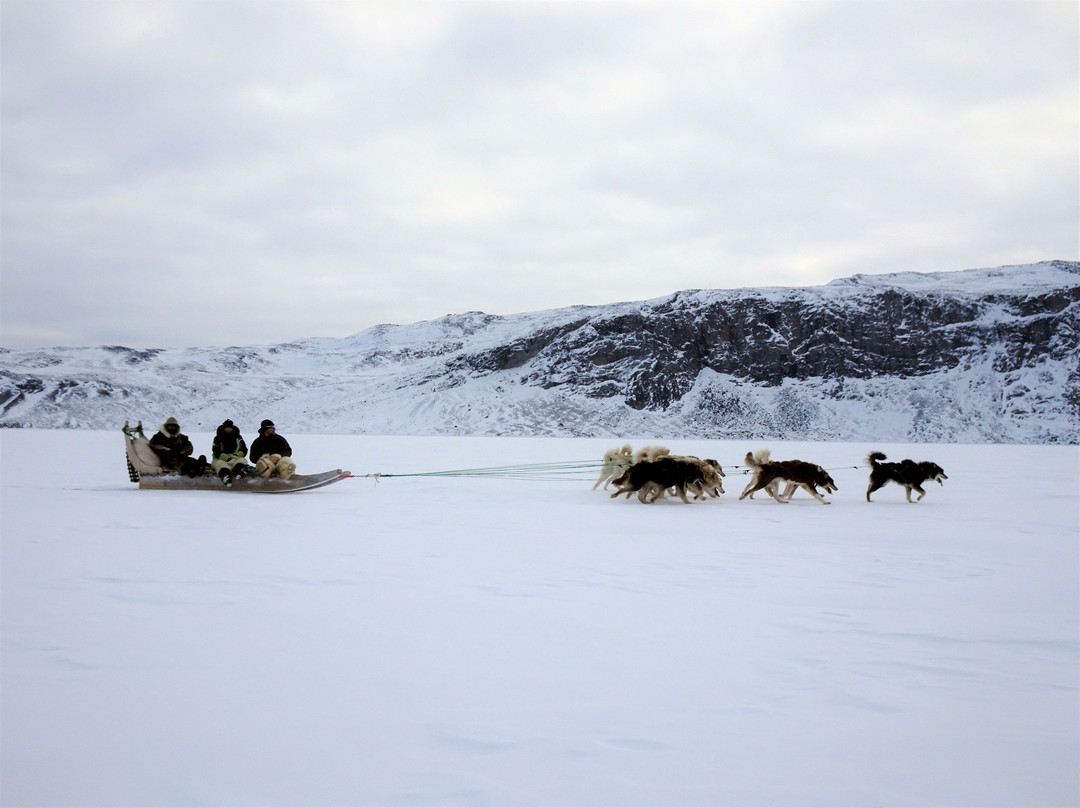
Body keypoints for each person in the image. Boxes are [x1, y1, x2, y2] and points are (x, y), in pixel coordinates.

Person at [211, 419, 250, 486]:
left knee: (241, 460)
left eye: (230, 427)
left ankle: (240, 470)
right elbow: (216, 451)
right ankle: (225, 475)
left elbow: (244, 449)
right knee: (220, 464)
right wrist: (227, 458)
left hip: (235, 456)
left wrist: (236, 455)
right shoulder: (218, 438)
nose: (228, 429)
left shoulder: (238, 437)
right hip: (220, 457)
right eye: (226, 427)